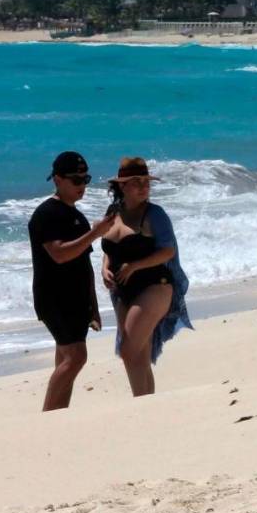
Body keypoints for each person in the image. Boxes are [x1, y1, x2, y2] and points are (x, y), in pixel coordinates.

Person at [29, 152, 115, 410]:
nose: (82, 186)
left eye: (85, 179)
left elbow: (84, 264)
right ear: (57, 179)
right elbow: (59, 253)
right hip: (53, 298)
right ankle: (46, 415)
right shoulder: (46, 214)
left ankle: (58, 415)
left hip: (76, 299)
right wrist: (95, 234)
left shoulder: (76, 216)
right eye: (76, 180)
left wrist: (94, 306)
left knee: (65, 357)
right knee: (76, 357)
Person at [100, 157, 192, 396]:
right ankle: (145, 403)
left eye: (146, 182)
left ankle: (141, 402)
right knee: (137, 353)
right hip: (122, 289)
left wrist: (135, 266)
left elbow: (168, 250)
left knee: (128, 349)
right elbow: (109, 248)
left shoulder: (155, 214)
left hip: (155, 285)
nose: (143, 187)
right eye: (136, 182)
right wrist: (104, 267)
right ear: (122, 186)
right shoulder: (113, 212)